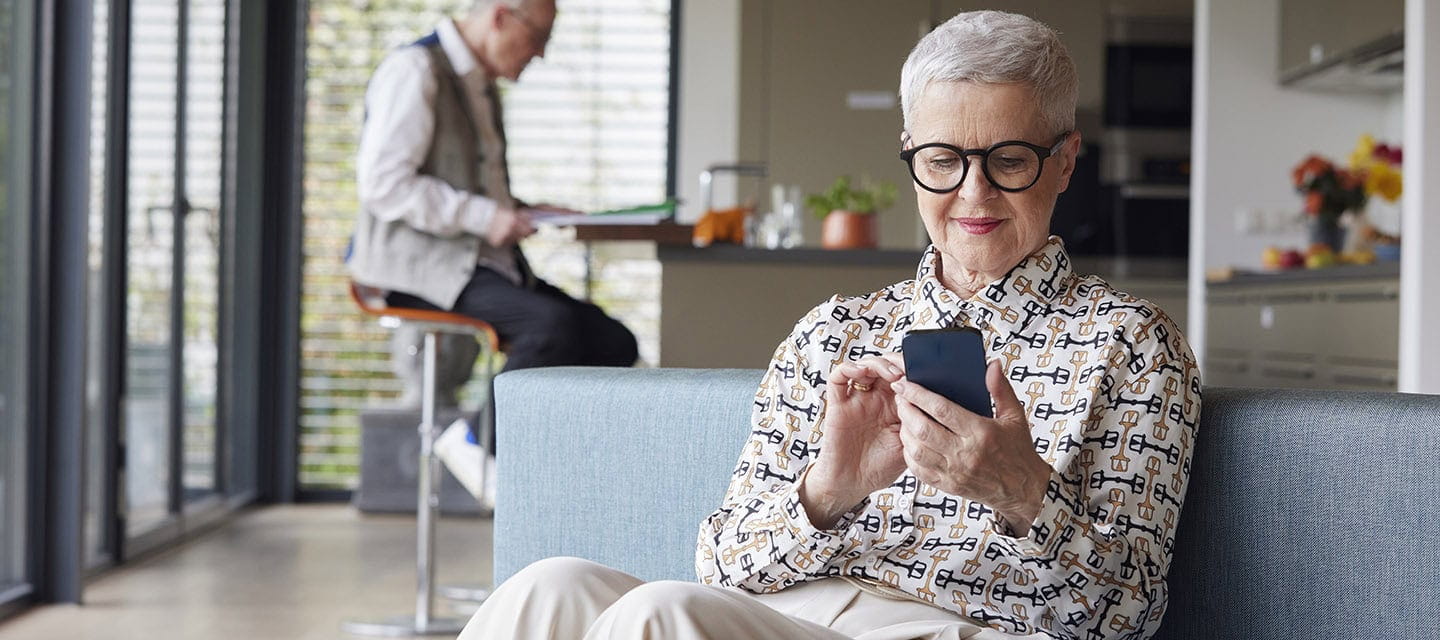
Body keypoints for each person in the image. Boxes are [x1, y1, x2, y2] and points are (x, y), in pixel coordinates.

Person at [456, 9, 1201, 640]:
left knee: (661, 615)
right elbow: (721, 564)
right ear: (912, 159)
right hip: (795, 613)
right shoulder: (832, 334)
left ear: (1064, 163)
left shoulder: (1130, 343)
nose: (974, 194)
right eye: (943, 160)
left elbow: (1127, 616)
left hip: (958, 627)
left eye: (1010, 160)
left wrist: (1020, 490)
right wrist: (827, 489)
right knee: (546, 589)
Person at [348, 0, 639, 391]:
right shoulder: (415, 69)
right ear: (500, 18)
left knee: (613, 342)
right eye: (537, 38)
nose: (540, 52)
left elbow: (466, 183)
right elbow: (384, 183)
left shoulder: (482, 87)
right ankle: (474, 447)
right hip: (421, 270)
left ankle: (531, 451)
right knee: (550, 326)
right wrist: (486, 218)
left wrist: (525, 212)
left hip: (486, 267)